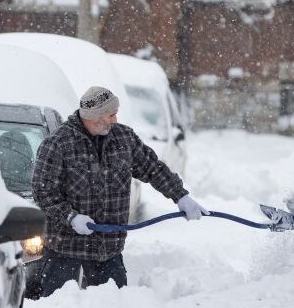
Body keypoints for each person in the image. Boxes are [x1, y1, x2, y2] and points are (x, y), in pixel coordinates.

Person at [31, 85, 207, 296]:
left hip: (109, 250)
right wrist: (70, 217)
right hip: (65, 252)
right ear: (95, 117)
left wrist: (180, 196)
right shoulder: (58, 144)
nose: (115, 120)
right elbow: (43, 191)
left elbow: (153, 169)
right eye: (111, 114)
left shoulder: (124, 139)